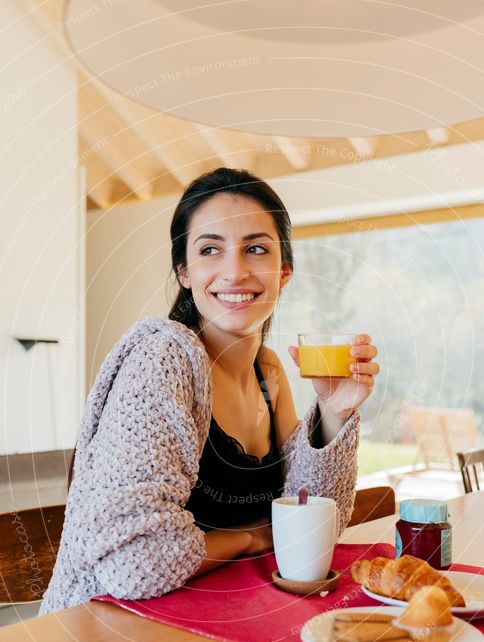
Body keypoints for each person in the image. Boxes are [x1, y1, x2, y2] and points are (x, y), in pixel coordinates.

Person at [40, 168, 379, 615]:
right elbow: (133, 563)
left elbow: (312, 528)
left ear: (284, 272)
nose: (235, 271)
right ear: (184, 271)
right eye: (209, 250)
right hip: (107, 639)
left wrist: (334, 413)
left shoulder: (269, 373)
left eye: (255, 248)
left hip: (221, 624)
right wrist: (249, 538)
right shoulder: (163, 359)